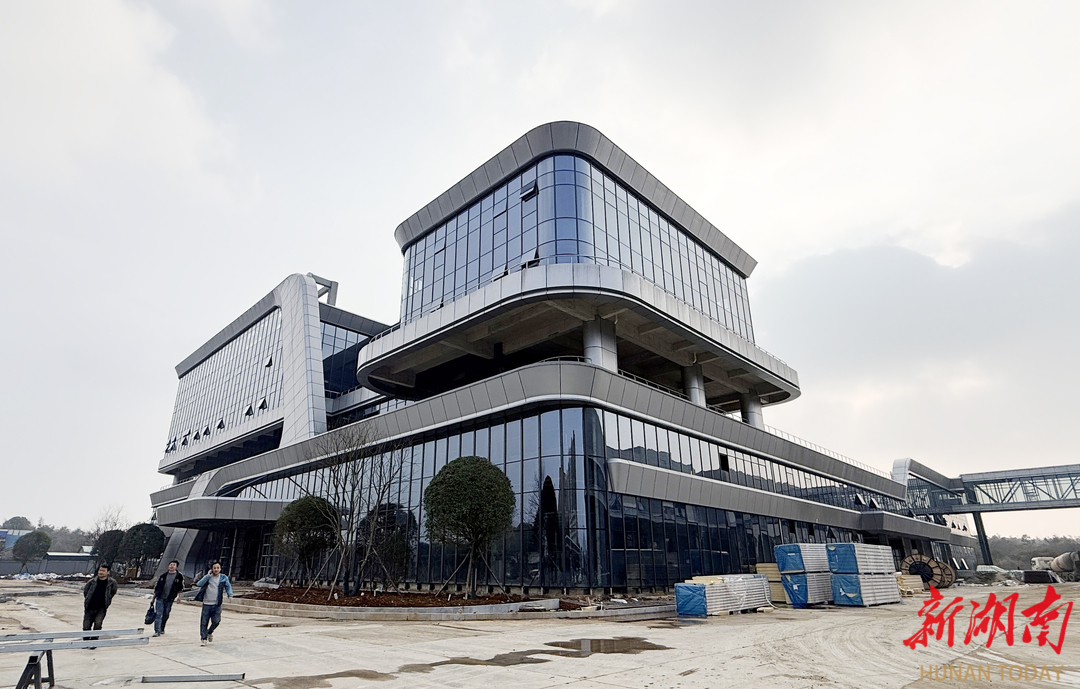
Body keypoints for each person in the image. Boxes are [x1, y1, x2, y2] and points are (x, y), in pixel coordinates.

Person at [193, 562, 233, 646]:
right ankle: (203, 638)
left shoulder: (223, 578)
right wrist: (207, 576)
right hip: (206, 603)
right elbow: (199, 584)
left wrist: (230, 594)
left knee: (216, 621)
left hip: (217, 603)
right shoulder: (208, 577)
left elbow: (228, 586)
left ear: (220, 569)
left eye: (218, 568)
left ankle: (209, 632)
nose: (216, 569)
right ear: (211, 569)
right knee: (204, 622)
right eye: (214, 568)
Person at [151, 560, 186, 637]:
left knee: (166, 614)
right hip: (160, 597)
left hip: (170, 599)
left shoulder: (179, 577)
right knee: (158, 614)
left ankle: (162, 628)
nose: (171, 566)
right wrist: (154, 597)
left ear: (176, 567)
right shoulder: (163, 576)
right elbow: (157, 587)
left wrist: (179, 597)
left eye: (173, 565)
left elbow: (180, 588)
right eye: (170, 565)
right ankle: (157, 630)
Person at [82, 564, 118, 635]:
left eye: (103, 571)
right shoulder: (92, 581)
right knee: (86, 626)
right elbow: (86, 592)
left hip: (101, 608)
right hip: (90, 607)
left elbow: (113, 592)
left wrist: (107, 600)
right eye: (100, 570)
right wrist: (88, 599)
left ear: (108, 572)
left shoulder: (112, 583)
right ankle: (86, 640)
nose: (101, 572)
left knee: (98, 625)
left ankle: (95, 640)